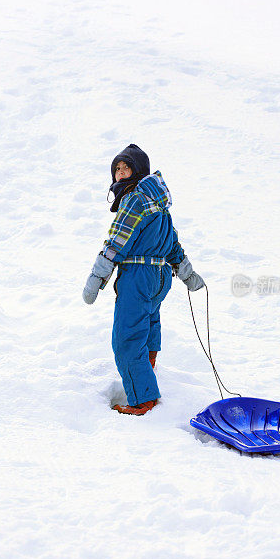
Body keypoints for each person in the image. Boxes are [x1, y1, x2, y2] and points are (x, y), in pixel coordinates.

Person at [82, 144, 205, 415]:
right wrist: (188, 275)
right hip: (159, 276)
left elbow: (116, 242)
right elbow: (172, 243)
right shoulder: (158, 204)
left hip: (138, 276)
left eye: (127, 167)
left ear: (139, 171)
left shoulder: (134, 200)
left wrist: (96, 279)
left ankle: (142, 399)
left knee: (127, 338)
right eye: (117, 168)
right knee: (148, 328)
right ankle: (146, 377)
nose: (121, 173)